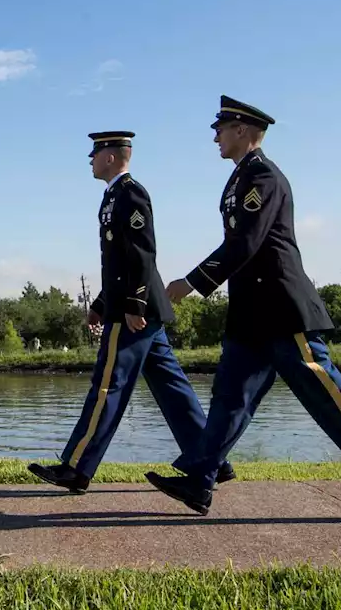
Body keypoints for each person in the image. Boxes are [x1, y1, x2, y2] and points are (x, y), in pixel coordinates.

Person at [147, 96, 341, 523]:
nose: (215, 136)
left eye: (221, 128)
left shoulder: (263, 177)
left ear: (243, 130)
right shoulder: (240, 179)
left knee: (330, 402)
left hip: (282, 311)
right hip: (251, 317)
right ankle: (199, 480)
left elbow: (246, 243)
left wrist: (191, 283)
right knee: (228, 399)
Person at [28, 131, 234, 493]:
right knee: (174, 390)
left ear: (110, 157)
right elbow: (118, 262)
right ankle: (212, 462)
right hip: (133, 308)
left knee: (107, 386)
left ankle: (75, 468)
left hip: (135, 312)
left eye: (94, 153)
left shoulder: (130, 193)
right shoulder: (112, 197)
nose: (90, 159)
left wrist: (133, 305)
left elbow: (142, 253)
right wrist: (99, 305)